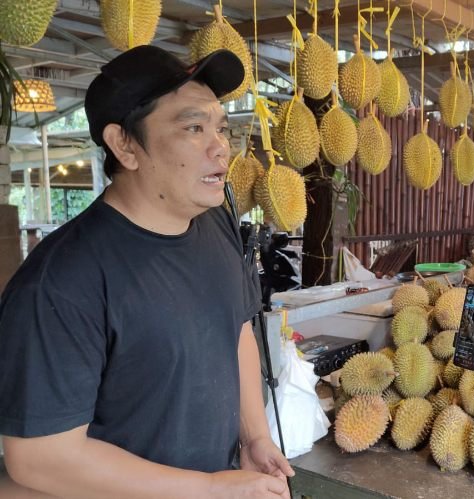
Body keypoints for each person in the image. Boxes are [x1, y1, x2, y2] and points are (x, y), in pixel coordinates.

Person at [0, 46, 294, 498]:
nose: (221, 147)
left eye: (220, 127)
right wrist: (209, 489)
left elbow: (233, 329)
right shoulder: (60, 284)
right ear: (125, 145)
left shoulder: (213, 222)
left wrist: (253, 435)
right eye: (193, 128)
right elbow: (40, 459)